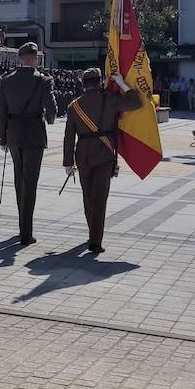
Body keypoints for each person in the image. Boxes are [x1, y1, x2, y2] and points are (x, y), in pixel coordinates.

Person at [62, 68, 143, 253]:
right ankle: (95, 241)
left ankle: (92, 231)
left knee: (88, 196)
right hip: (105, 154)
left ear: (83, 84)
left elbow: (68, 137)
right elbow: (136, 102)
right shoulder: (109, 100)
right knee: (100, 198)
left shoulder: (73, 106)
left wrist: (68, 162)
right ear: (99, 83)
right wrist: (121, 83)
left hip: (82, 155)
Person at [0, 43, 56, 246]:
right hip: (34, 135)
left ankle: (22, 224)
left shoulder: (6, 81)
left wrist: (2, 139)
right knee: (30, 182)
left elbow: (1, 113)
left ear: (21, 59)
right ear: (32, 58)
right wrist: (50, 116)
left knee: (18, 180)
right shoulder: (44, 80)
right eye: (36, 57)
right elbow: (51, 113)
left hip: (13, 134)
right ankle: (26, 232)